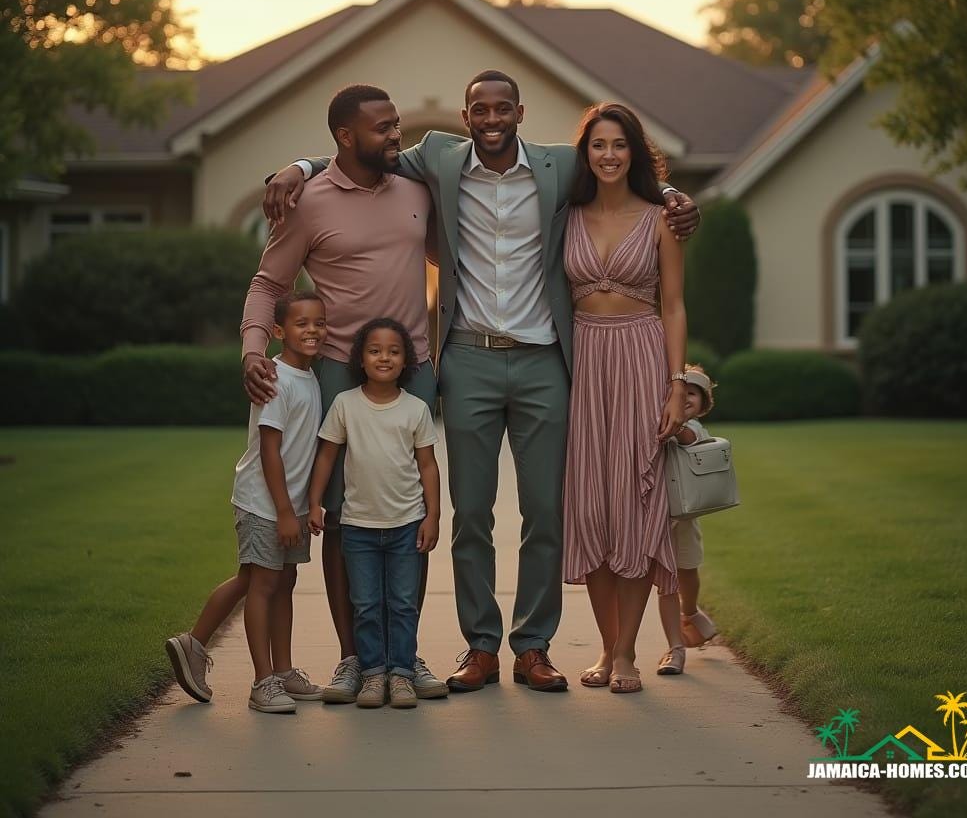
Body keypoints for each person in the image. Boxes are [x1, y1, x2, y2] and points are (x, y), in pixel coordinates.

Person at [264, 70, 700, 694]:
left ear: (520, 113)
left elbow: (620, 169)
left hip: (545, 359)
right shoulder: (437, 158)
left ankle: (534, 645)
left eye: (502, 109)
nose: (491, 119)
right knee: (471, 513)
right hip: (466, 356)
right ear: (466, 117)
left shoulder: (557, 166)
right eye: (479, 110)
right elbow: (358, 153)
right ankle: (481, 646)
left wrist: (677, 195)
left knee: (545, 509)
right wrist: (297, 168)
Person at [241, 84, 448, 703]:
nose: (395, 135)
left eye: (397, 124)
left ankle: (403, 658)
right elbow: (265, 283)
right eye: (382, 127)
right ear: (345, 136)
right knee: (338, 517)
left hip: (414, 371)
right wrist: (254, 350)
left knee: (412, 512)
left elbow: (469, 253)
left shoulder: (416, 187)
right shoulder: (308, 202)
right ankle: (355, 658)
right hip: (337, 374)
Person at [562, 103, 687, 695]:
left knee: (636, 507)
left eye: (619, 145)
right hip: (583, 364)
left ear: (634, 152)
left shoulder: (662, 216)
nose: (608, 155)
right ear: (584, 154)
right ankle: (605, 649)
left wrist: (676, 384)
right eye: (597, 145)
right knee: (592, 508)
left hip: (641, 357)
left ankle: (628, 652)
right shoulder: (566, 214)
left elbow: (673, 305)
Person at [165, 290, 326, 713]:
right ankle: (262, 682)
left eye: (319, 323)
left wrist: (307, 505)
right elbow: (269, 451)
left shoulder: (310, 377)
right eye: (301, 323)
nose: (312, 330)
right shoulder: (275, 378)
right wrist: (285, 511)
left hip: (290, 505)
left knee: (274, 582)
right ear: (278, 331)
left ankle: (274, 667)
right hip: (264, 502)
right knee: (262, 585)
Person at [308, 318, 442, 709]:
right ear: (360, 359)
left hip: (406, 525)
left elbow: (429, 466)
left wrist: (432, 516)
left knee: (402, 603)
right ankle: (372, 675)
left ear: (406, 361)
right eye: (375, 350)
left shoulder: (415, 410)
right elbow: (326, 457)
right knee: (365, 604)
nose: (384, 357)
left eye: (394, 351)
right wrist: (315, 501)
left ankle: (401, 674)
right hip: (358, 527)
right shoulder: (345, 405)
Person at [656, 364, 719, 676]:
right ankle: (675, 647)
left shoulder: (693, 428)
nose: (684, 398)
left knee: (688, 572)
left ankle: (690, 610)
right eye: (680, 392)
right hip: (656, 519)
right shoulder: (658, 419)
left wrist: (673, 421)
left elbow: (686, 438)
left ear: (702, 404)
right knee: (666, 582)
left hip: (683, 519)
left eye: (692, 393)